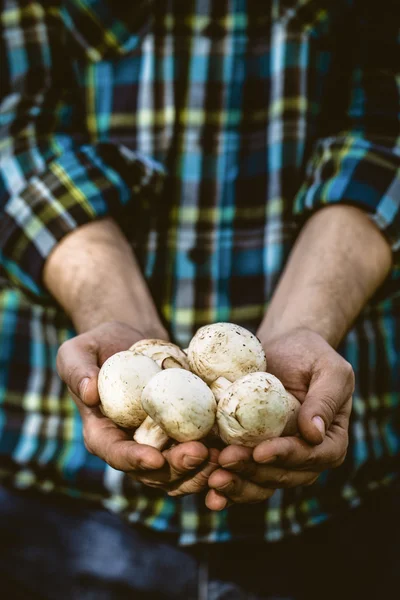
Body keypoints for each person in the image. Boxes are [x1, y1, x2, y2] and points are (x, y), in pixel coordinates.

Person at [0, 0, 399, 598]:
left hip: (349, 504)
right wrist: (112, 315)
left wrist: (309, 322)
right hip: (65, 499)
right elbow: (19, 123)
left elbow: (383, 122)